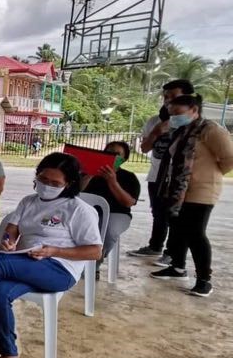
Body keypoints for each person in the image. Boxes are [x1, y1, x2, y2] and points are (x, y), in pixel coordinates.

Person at [0, 152, 102, 358]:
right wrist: (9, 240)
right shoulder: (29, 201)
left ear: (69, 184)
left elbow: (95, 251)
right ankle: (10, 357)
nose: (46, 186)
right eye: (43, 180)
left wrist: (54, 251)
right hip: (27, 261)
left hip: (58, 269)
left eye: (55, 183)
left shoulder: (78, 209)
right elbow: (13, 227)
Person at [150, 94, 233, 297]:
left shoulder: (211, 130)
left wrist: (208, 174)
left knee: (196, 233)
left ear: (194, 110)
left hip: (202, 190)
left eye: (178, 113)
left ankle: (204, 280)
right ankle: (178, 267)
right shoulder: (181, 130)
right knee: (178, 229)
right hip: (179, 190)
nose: (174, 117)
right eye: (171, 113)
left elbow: (229, 158)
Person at [129, 79, 195, 260]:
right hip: (157, 175)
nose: (168, 101)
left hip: (181, 179)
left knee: (176, 216)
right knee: (158, 213)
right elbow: (144, 148)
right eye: (166, 97)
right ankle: (155, 246)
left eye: (174, 96)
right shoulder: (155, 121)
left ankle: (173, 254)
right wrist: (157, 131)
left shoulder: (194, 124)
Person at [82, 141, 141, 274]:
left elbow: (128, 202)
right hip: (89, 212)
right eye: (109, 152)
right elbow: (74, 194)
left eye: (117, 154)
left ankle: (94, 264)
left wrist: (112, 181)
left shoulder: (129, 177)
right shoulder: (88, 173)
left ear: (124, 159)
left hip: (117, 214)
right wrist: (89, 175)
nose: (112, 156)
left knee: (109, 231)